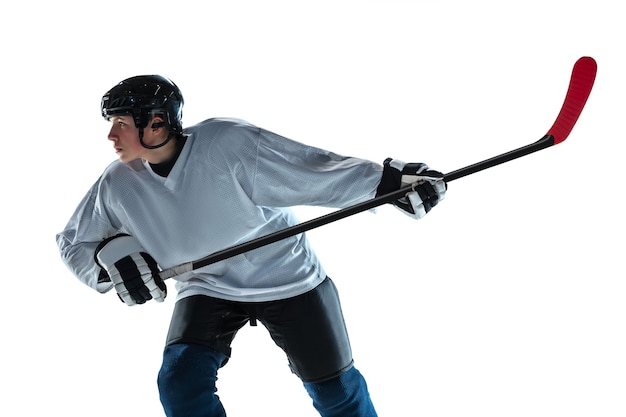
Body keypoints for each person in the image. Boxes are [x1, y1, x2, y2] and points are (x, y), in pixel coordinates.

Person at [56, 75, 446, 417]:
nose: (111, 136)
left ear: (156, 124)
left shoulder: (227, 144)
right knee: (179, 382)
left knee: (337, 392)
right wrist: (105, 261)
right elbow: (73, 241)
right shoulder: (116, 183)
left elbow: (313, 169)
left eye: (121, 124)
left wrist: (386, 184)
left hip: (289, 278)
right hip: (206, 285)